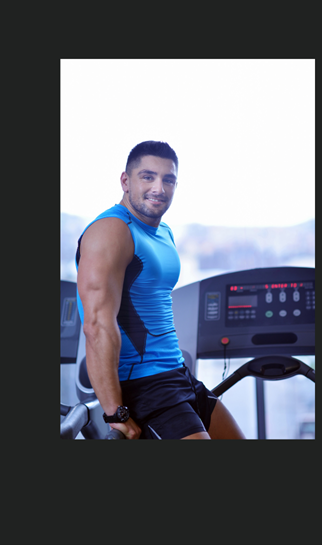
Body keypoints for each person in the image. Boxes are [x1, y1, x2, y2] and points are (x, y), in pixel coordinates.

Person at [76, 141, 245, 440]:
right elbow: (97, 325)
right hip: (142, 386)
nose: (159, 187)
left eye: (168, 179)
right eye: (148, 176)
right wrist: (116, 412)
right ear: (125, 181)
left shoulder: (162, 230)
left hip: (177, 374)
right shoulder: (112, 231)